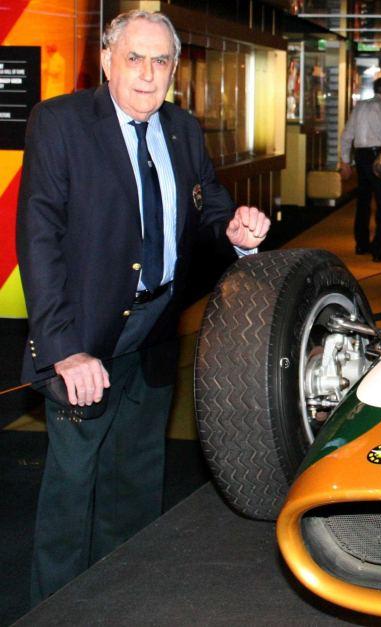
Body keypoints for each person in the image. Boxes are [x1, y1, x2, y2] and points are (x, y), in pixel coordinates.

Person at [16, 10, 271, 603]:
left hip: (155, 337)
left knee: (134, 487)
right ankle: (53, 610)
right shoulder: (60, 124)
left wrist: (234, 227)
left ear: (174, 70)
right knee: (71, 493)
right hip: (86, 345)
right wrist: (65, 350)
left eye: (161, 61)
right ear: (107, 60)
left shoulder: (182, 127)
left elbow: (205, 208)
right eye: (134, 57)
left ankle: (122, 601)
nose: (147, 73)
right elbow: (40, 241)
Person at [339, 77, 381, 262]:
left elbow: (347, 135)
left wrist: (346, 161)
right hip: (380, 157)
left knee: (363, 203)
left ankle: (361, 244)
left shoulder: (360, 107)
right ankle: (378, 249)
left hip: (361, 156)